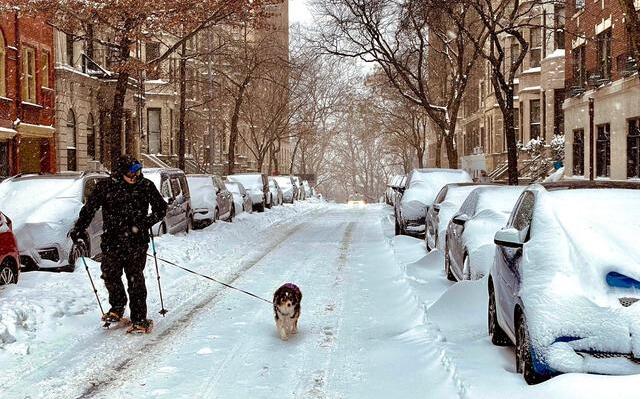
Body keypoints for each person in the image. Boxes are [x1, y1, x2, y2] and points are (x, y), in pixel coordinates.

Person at [69, 155, 167, 333]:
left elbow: (161, 209)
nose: (136, 176)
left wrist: (145, 223)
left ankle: (139, 318)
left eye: (138, 171)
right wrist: (79, 228)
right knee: (110, 275)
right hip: (112, 241)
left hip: (137, 242)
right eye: (132, 172)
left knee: (135, 278)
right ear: (120, 172)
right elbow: (89, 209)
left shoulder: (145, 186)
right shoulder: (105, 187)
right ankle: (117, 307)